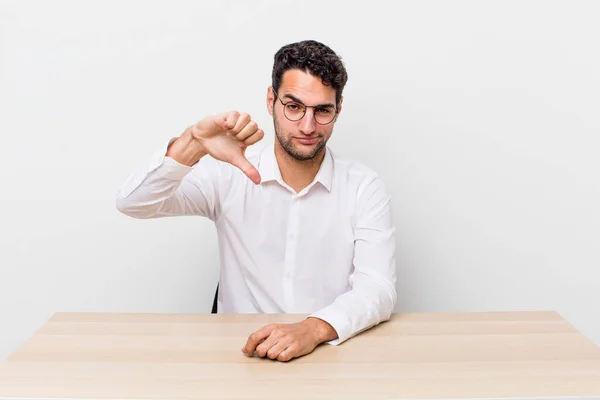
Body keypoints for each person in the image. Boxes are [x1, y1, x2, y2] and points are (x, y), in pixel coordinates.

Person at [116, 40, 397, 362]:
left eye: (322, 111)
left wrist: (313, 329)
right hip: (238, 356)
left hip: (327, 353)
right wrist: (191, 144)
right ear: (271, 100)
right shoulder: (229, 174)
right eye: (293, 107)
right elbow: (133, 203)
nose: (308, 126)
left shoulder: (363, 186)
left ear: (339, 108)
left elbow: (378, 288)